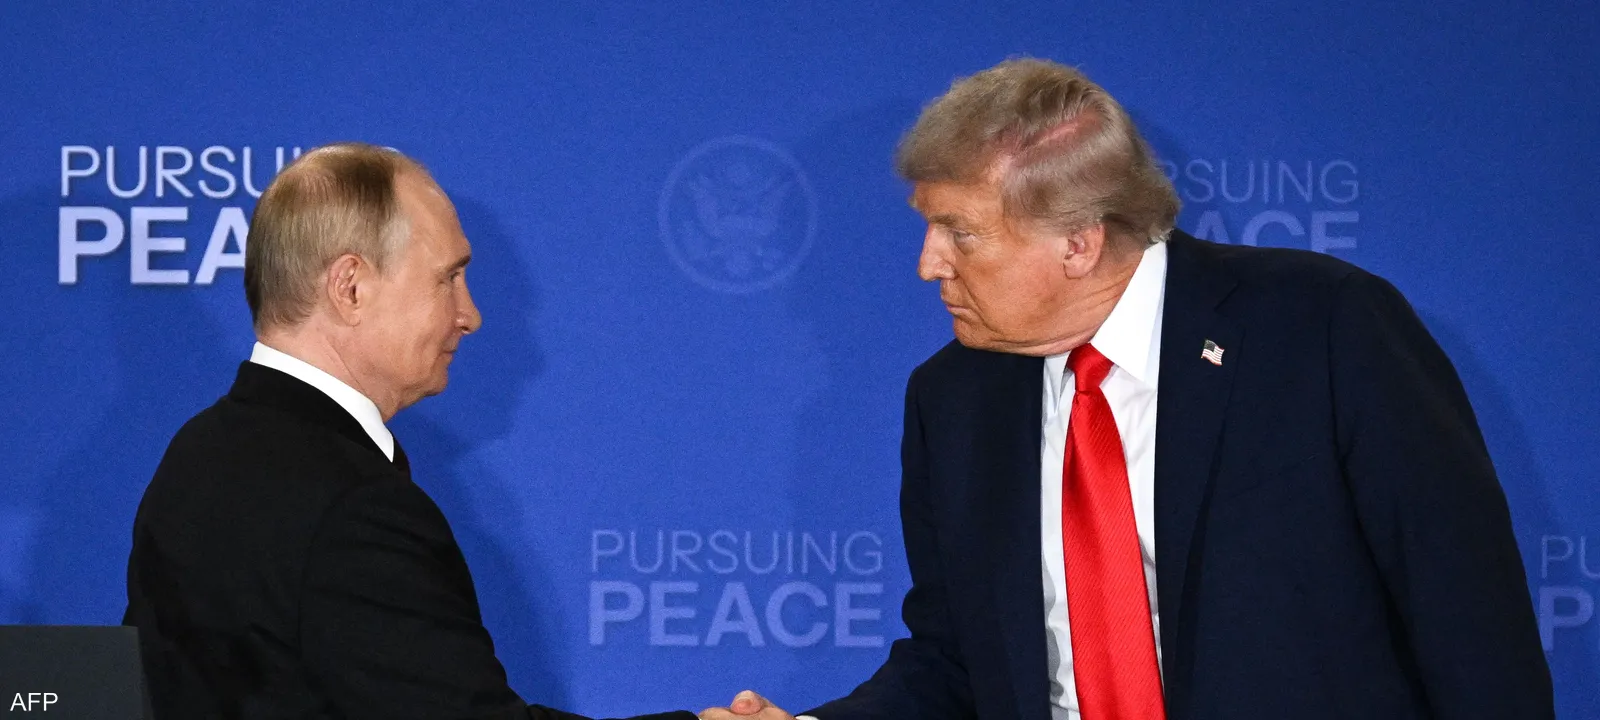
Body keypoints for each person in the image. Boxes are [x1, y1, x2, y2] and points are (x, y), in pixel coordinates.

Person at [703, 58, 1552, 720]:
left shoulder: (1323, 329)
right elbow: (955, 661)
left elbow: (1468, 622)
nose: (929, 264)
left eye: (960, 233)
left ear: (1078, 242)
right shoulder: (953, 401)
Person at [122, 143, 698, 720]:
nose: (470, 315)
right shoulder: (354, 504)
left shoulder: (196, 453)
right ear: (350, 287)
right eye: (448, 278)